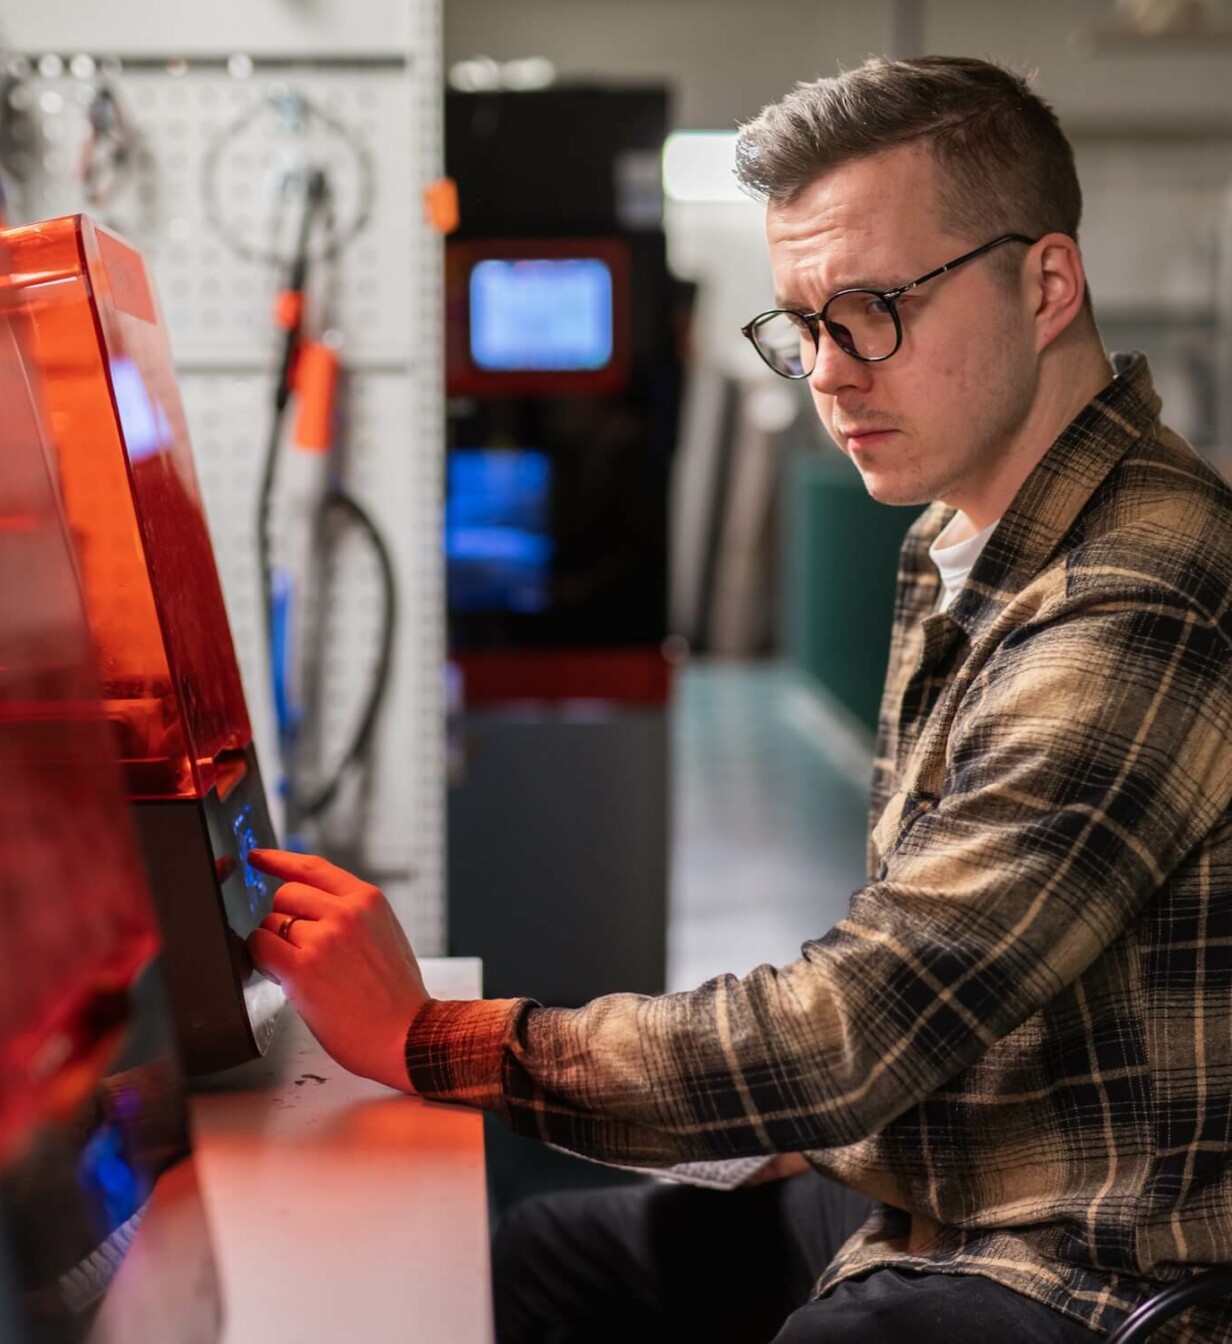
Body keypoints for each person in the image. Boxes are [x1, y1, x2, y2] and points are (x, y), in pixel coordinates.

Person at [247, 55, 1232, 1343]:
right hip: (948, 1168)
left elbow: (855, 1030)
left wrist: (434, 1035)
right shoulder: (968, 540)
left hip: (1092, 1255)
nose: (828, 373)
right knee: (542, 1260)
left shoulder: (1142, 595)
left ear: (1046, 284)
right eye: (803, 325)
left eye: (874, 308)